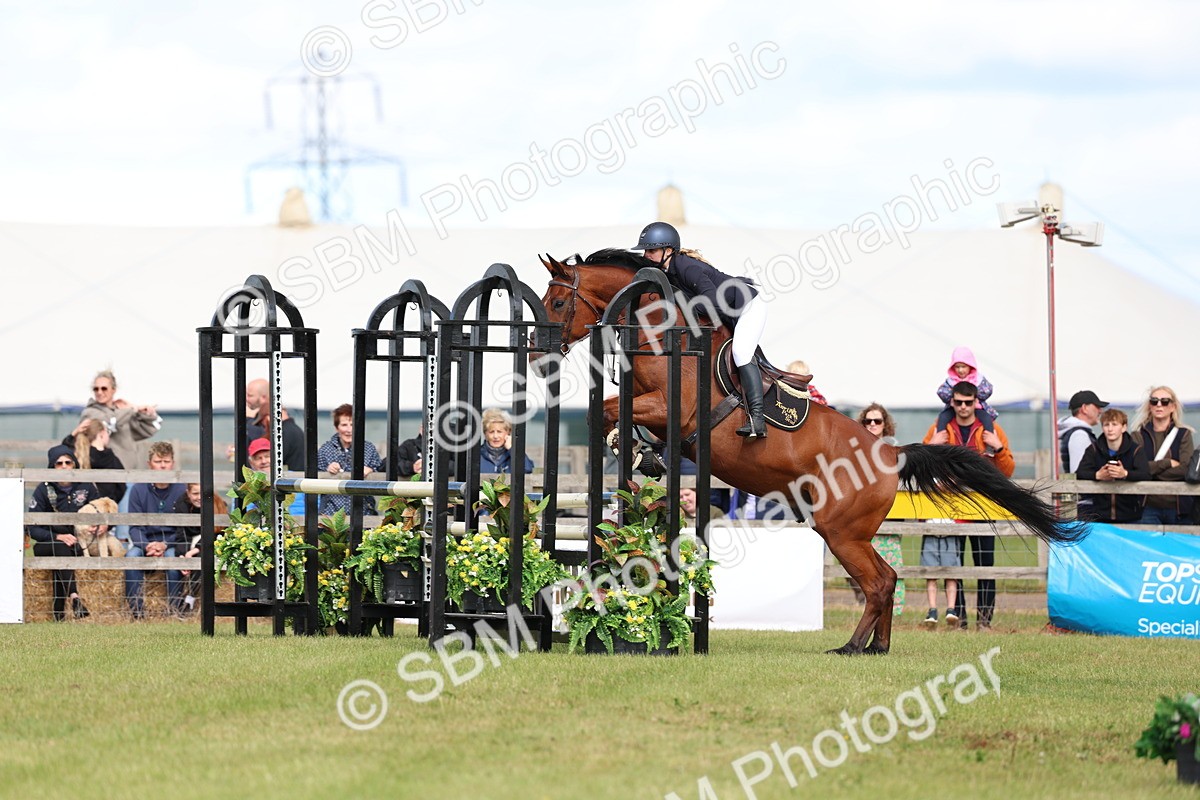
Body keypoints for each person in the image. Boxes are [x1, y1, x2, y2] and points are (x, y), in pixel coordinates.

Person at [632, 221, 769, 439]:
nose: (646, 255)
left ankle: (757, 419)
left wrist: (681, 306)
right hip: (729, 309)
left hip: (749, 305)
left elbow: (713, 305)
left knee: (741, 353)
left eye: (652, 250)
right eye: (646, 251)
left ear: (669, 250)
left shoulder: (687, 268)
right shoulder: (669, 271)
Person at [923, 381, 1014, 630]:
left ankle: (984, 620)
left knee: (985, 565)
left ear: (976, 402)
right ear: (952, 402)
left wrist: (999, 448)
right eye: (958, 402)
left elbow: (1007, 471)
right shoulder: (939, 429)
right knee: (956, 566)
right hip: (953, 509)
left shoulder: (992, 429)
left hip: (984, 507)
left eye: (968, 402)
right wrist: (931, 447)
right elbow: (922, 467)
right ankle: (959, 619)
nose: (963, 407)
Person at [26, 445, 99, 621]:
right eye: (59, 463)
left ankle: (59, 613)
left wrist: (101, 526)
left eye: (68, 462)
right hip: (47, 544)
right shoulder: (43, 490)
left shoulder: (87, 487)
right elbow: (32, 528)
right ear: (52, 467)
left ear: (74, 465)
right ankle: (74, 597)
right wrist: (57, 536)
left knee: (63, 552)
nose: (64, 466)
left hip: (78, 544)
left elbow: (101, 513)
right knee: (60, 546)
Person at [125, 442, 187, 619]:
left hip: (172, 541)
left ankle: (174, 611)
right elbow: (134, 526)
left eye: (166, 461)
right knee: (131, 558)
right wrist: (147, 545)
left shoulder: (182, 489)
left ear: (172, 463)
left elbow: (183, 528)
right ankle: (137, 612)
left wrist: (165, 544)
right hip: (145, 541)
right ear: (149, 464)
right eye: (158, 461)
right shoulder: (138, 489)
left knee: (174, 562)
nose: (162, 466)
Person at [855, 403, 905, 615]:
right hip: (860, 516)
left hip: (889, 515)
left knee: (890, 564)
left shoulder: (892, 450)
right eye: (868, 421)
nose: (873, 424)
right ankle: (869, 606)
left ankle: (893, 609)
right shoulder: (854, 451)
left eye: (877, 421)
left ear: (885, 424)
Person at [1132, 385, 1195, 526]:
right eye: (1154, 401)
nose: (1159, 405)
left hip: (1179, 507)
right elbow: (1137, 468)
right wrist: (1167, 463)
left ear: (1173, 406)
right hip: (1147, 506)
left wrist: (1151, 472)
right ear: (1150, 406)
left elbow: (1186, 469)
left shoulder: (1184, 434)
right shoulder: (1138, 435)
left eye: (1165, 401)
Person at [1075, 408, 1150, 523]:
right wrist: (1097, 475)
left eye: (1114, 424)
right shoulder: (1093, 449)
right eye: (1106, 425)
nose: (1110, 429)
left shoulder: (1136, 450)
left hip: (1130, 515)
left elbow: (1146, 474)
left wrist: (1125, 474)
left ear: (1124, 427)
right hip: (1099, 515)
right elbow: (1079, 473)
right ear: (1102, 428)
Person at [79, 369, 161, 470]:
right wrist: (133, 409)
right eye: (96, 389)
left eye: (104, 388)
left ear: (113, 390)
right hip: (103, 472)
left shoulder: (124, 413)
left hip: (129, 473)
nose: (99, 392)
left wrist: (146, 413)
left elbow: (150, 429)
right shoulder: (89, 413)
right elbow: (110, 422)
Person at [316, 404, 382, 516]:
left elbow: (380, 471)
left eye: (352, 425)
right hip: (331, 513)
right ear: (337, 427)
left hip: (363, 512)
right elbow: (315, 478)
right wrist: (327, 471)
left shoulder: (368, 448)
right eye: (344, 425)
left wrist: (371, 470)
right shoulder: (325, 449)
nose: (349, 430)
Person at [176, 483, 229, 614]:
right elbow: (181, 534)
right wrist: (182, 554)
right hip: (190, 543)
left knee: (203, 558)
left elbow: (218, 533)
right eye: (195, 493)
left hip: (212, 543)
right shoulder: (181, 506)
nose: (199, 497)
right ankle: (177, 601)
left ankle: (189, 598)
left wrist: (196, 549)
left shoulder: (218, 505)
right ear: (188, 493)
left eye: (202, 493)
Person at [934, 347, 998, 450]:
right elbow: (941, 392)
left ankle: (990, 446)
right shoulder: (951, 381)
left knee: (987, 418)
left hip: (978, 408)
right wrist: (954, 392)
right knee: (942, 417)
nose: (960, 370)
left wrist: (973, 391)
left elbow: (988, 390)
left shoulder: (978, 379)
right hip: (952, 409)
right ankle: (938, 446)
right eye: (957, 367)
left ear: (970, 366)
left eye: (963, 366)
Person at [62, 418, 126, 503]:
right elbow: (121, 486)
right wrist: (112, 500)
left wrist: (75, 432)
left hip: (83, 505)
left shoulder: (79, 454)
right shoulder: (111, 458)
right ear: (102, 433)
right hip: (105, 505)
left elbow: (62, 451)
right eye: (107, 431)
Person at [920, 521, 960, 629]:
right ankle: (932, 611)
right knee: (931, 575)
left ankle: (951, 610)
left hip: (950, 532)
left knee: (951, 575)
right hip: (930, 531)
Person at [1059, 390, 1108, 473]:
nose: (1100, 411)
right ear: (1084, 408)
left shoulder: (1077, 432)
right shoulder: (1079, 435)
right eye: (1097, 406)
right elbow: (1079, 473)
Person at [249, 404, 307, 471]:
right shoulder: (294, 429)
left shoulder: (283, 433)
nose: (264, 429)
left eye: (263, 424)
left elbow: (275, 462)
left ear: (268, 417)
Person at [479, 408, 534, 474]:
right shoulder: (478, 454)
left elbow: (527, 469)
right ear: (485, 434)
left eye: (499, 432)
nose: (495, 436)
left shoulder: (513, 453)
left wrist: (512, 449)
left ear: (508, 432)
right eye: (491, 432)